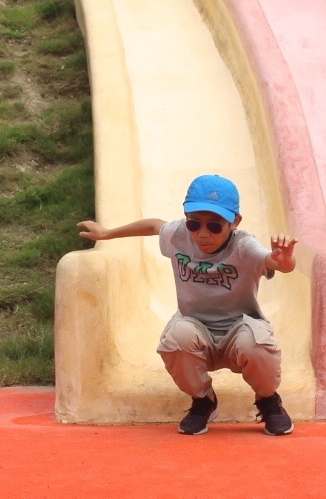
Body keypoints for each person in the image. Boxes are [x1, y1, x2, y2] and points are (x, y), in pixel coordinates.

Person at [79, 174, 299, 436]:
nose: (203, 234)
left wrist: (284, 260)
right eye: (194, 224)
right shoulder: (179, 235)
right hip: (196, 328)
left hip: (238, 329)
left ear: (235, 221)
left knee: (256, 343)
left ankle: (268, 401)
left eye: (215, 226)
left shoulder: (244, 245)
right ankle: (203, 401)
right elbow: (153, 226)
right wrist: (107, 234)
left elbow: (276, 264)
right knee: (176, 338)